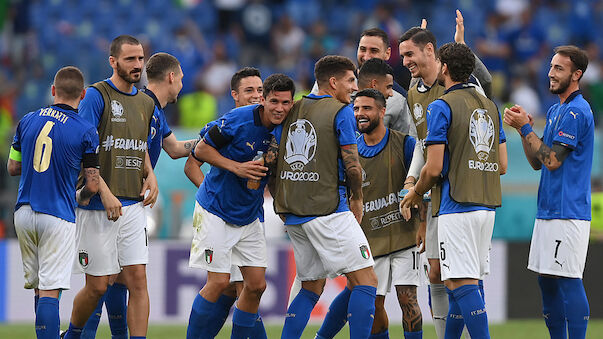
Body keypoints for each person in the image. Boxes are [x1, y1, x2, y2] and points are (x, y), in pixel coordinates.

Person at [80, 52, 195, 339]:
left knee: (124, 278)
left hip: (132, 201)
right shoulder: (134, 103)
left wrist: (214, 136)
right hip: (108, 198)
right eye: (181, 78)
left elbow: (175, 149)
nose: (182, 84)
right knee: (103, 281)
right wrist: (147, 174)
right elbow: (127, 143)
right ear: (171, 77)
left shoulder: (152, 108)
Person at [401, 42, 507, 339]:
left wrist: (414, 192)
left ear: (444, 68)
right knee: (459, 282)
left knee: (460, 284)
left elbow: (433, 169)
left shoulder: (440, 106)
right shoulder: (490, 106)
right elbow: (502, 164)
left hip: (456, 206)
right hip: (486, 207)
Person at [266, 55, 377, 339]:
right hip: (328, 211)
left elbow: (272, 160)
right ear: (333, 81)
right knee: (366, 280)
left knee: (311, 286)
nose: (355, 87)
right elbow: (352, 164)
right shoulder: (340, 111)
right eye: (351, 80)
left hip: (294, 215)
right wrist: (357, 199)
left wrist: (281, 199)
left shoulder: (292, 108)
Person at [313, 59, 423, 339]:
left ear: (382, 111)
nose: (360, 114)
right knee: (373, 304)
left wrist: (423, 224)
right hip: (369, 239)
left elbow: (422, 185)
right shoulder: (350, 151)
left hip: (404, 235)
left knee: (408, 299)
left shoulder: (405, 144)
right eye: (357, 109)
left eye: (367, 109)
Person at [185, 73, 295, 339]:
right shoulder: (237, 120)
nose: (279, 108)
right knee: (219, 283)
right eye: (273, 102)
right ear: (264, 101)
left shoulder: (290, 126)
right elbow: (199, 152)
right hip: (216, 211)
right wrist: (238, 168)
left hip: (249, 214)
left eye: (285, 103)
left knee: (256, 286)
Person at [63, 35, 158, 339]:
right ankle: (73, 334)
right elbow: (83, 147)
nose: (137, 65)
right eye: (130, 59)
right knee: (98, 286)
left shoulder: (145, 101)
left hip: (132, 205)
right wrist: (103, 192)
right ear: (113, 62)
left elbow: (139, 143)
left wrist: (150, 173)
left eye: (141, 59)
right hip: (97, 207)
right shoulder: (96, 95)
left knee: (138, 281)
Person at [504, 45, 592, 339]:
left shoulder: (577, 112)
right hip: (548, 210)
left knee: (568, 280)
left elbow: (552, 161)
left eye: (559, 68)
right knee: (547, 280)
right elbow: (537, 162)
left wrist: (527, 128)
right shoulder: (556, 110)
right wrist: (524, 129)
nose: (551, 73)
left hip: (568, 211)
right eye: (551, 67)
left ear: (576, 75)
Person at [8, 66, 100, 339]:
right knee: (50, 289)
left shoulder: (26, 120)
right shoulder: (86, 130)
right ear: (83, 95)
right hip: (57, 214)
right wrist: (77, 197)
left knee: (39, 287)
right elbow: (93, 185)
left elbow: (13, 167)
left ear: (52, 91)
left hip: (23, 212)